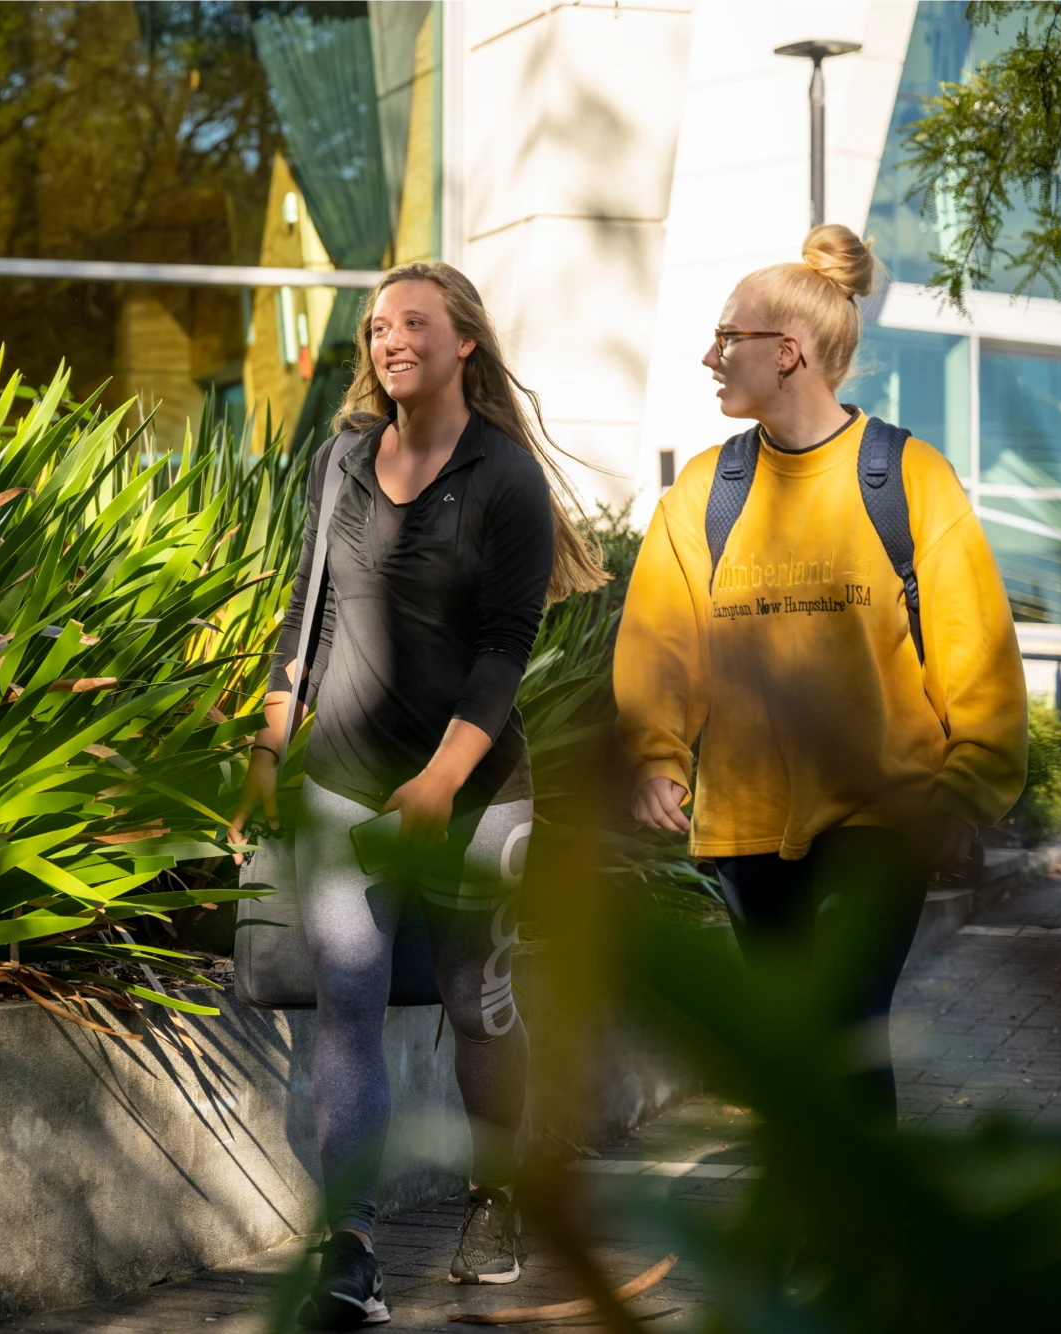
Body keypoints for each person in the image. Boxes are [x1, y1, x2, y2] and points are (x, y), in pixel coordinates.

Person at [231, 261, 605, 1328]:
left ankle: (494, 1195)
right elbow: (303, 613)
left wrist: (440, 779)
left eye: (413, 321)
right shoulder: (343, 455)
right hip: (347, 782)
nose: (389, 337)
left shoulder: (502, 480)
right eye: (377, 324)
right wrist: (269, 749)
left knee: (474, 996)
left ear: (464, 343)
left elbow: (503, 652)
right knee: (346, 1001)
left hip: (476, 792)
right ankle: (348, 1248)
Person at [615, 224, 1027, 1120]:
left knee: (844, 1024)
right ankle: (821, 1224)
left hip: (883, 815)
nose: (709, 356)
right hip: (746, 825)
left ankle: (851, 1247)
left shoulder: (907, 477)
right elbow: (659, 638)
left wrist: (960, 797)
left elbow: (978, 655)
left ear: (789, 352)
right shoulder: (703, 491)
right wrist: (656, 754)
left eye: (728, 338)